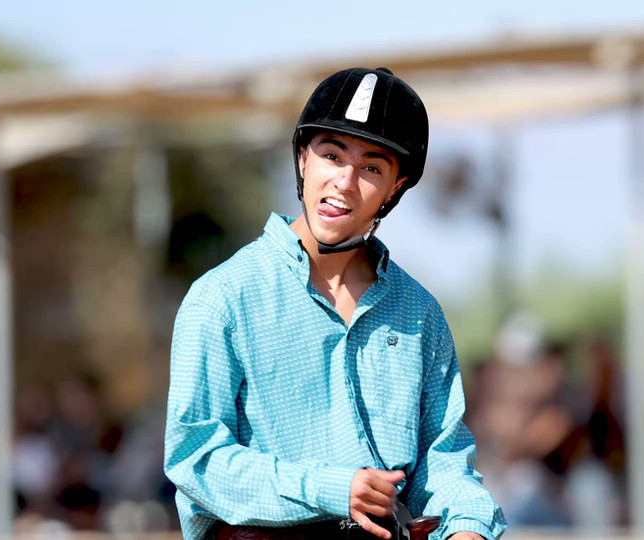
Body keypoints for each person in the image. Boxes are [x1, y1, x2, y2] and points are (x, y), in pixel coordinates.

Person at [164, 67, 506, 540]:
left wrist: (468, 526)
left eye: (372, 168)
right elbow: (195, 458)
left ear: (396, 186)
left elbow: (443, 464)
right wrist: (330, 488)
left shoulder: (419, 313)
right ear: (303, 158)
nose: (345, 181)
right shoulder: (222, 298)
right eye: (331, 155)